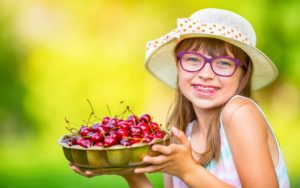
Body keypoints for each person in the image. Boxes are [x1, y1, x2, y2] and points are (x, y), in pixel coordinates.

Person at [71, 8, 290, 188]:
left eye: (223, 63)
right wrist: (132, 174)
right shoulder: (181, 133)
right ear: (178, 65)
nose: (206, 74)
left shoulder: (240, 113)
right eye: (193, 59)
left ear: (243, 73)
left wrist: (188, 170)